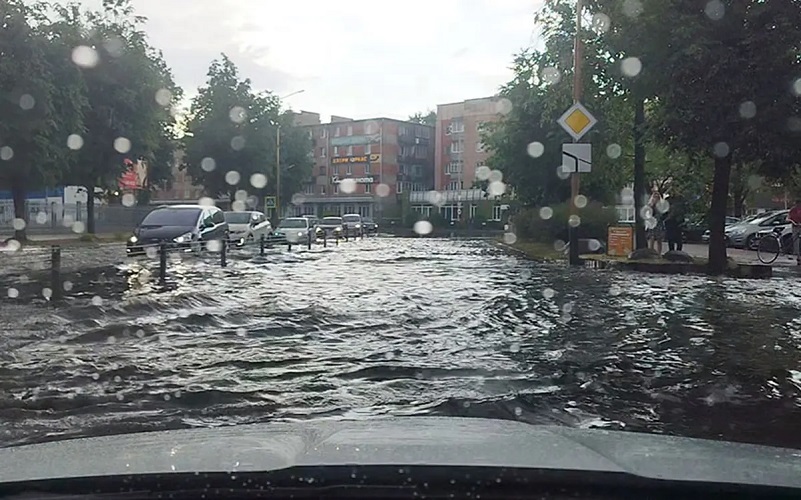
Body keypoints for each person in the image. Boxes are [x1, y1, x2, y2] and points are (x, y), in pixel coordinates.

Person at [646, 188, 665, 255]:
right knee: (652, 238)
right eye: (655, 197)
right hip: (652, 223)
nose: (656, 198)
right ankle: (651, 253)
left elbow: (662, 214)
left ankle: (659, 253)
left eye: (657, 197)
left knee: (659, 239)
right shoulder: (650, 205)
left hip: (659, 223)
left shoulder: (661, 205)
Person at [789, 198, 801, 265]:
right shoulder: (793, 210)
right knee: (796, 241)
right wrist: (794, 222)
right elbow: (789, 218)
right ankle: (798, 257)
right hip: (795, 226)